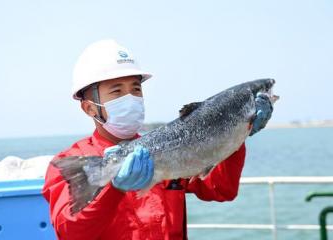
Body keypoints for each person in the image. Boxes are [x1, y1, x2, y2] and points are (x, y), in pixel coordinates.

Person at [42, 39, 273, 240]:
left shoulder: (170, 145)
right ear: (90, 108)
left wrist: (239, 132)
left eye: (136, 89)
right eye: (116, 91)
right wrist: (113, 188)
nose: (130, 98)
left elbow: (220, 189)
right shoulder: (70, 162)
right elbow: (70, 233)